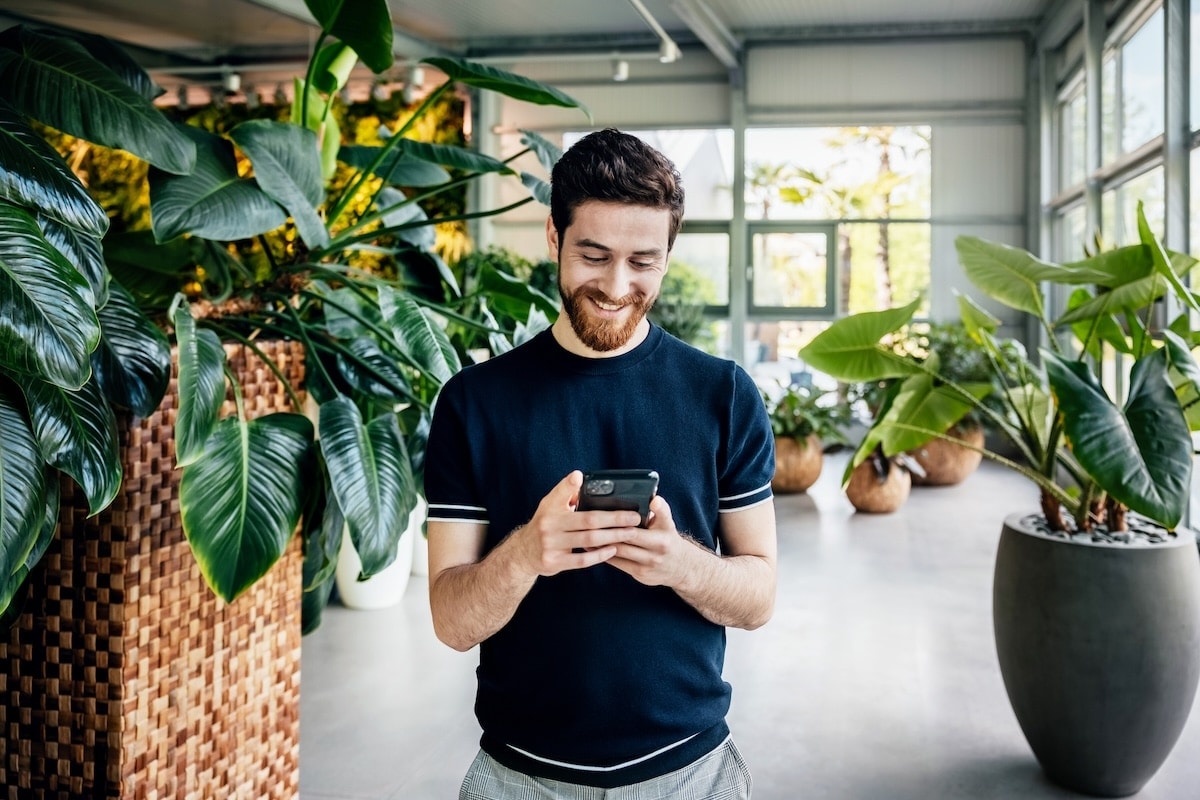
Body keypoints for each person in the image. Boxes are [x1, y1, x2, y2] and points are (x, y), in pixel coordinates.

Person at [423, 128, 777, 799]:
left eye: (643, 262)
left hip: (690, 773)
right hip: (517, 778)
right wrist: (527, 551)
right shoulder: (475, 403)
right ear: (554, 240)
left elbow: (758, 598)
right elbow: (449, 620)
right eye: (594, 255)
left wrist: (679, 563)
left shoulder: (724, 395)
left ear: (668, 256)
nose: (617, 286)